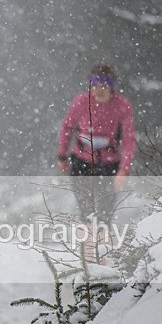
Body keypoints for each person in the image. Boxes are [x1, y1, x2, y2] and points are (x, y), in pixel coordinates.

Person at [58, 63, 137, 260]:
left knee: (104, 215)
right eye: (94, 85)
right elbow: (67, 128)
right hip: (81, 161)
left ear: (112, 86)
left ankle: (104, 259)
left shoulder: (122, 105)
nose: (99, 90)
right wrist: (62, 156)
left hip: (109, 164)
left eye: (104, 85)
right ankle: (87, 260)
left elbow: (128, 139)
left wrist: (123, 171)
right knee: (86, 213)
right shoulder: (81, 102)